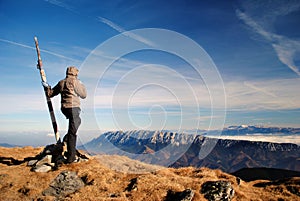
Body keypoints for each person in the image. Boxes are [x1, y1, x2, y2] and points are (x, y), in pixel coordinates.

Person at [43, 66, 87, 163]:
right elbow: (84, 95)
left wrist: (47, 88)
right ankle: (71, 157)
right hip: (74, 108)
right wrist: (82, 85)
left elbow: (51, 93)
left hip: (65, 108)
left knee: (76, 123)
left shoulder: (61, 82)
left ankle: (66, 140)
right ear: (75, 73)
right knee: (73, 133)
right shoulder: (76, 82)